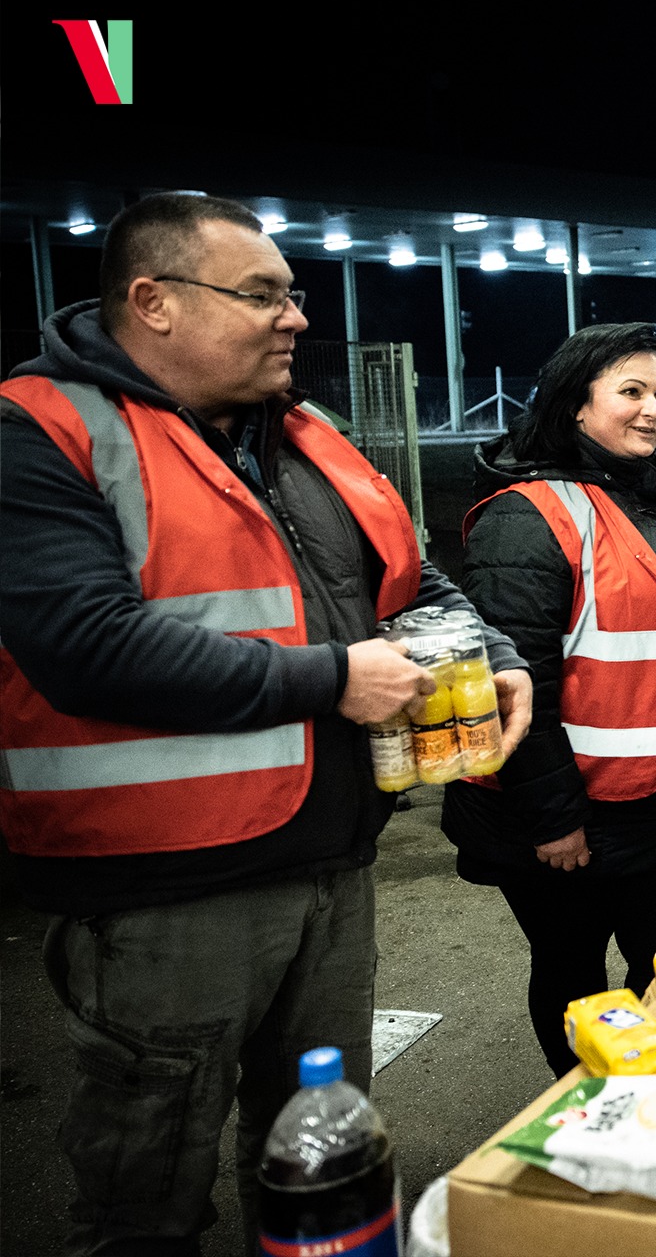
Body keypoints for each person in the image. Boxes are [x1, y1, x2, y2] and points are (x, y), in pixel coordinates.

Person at [0, 191, 532, 1253]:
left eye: (292, 295)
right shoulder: (39, 433)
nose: (295, 317)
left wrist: (494, 654)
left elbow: (413, 575)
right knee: (147, 1199)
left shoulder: (304, 432)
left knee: (316, 1171)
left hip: (329, 865)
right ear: (151, 301)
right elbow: (86, 646)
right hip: (164, 895)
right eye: (262, 295)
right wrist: (330, 677)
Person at [441, 322, 656, 1078]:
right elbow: (512, 683)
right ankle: (591, 1104)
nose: (654, 410)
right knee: (574, 974)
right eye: (632, 393)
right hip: (564, 816)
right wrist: (555, 820)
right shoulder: (525, 517)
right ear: (576, 407)